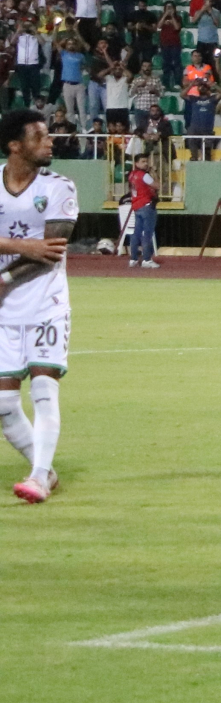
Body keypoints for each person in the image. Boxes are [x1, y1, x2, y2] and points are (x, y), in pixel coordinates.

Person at [0, 111, 74, 501]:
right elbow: (35, 247)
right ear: (16, 145)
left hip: (45, 301)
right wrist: (21, 245)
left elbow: (52, 251)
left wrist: (5, 279)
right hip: (3, 309)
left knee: (44, 389)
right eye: (40, 136)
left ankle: (39, 476)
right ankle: (43, 469)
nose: (51, 141)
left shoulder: (60, 187)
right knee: (3, 403)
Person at [124, 154, 159, 269]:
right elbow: (157, 185)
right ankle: (146, 259)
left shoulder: (132, 175)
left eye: (146, 161)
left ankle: (133, 259)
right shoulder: (144, 175)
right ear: (137, 163)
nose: (146, 163)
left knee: (136, 233)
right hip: (146, 205)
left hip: (137, 205)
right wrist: (154, 173)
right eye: (143, 161)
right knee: (147, 234)